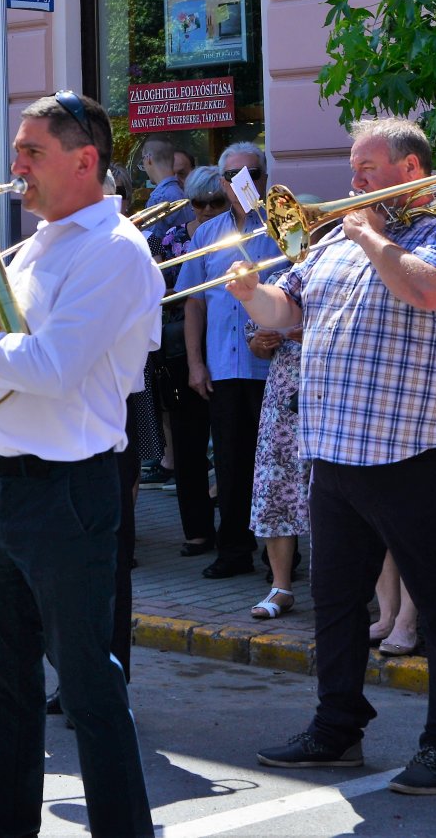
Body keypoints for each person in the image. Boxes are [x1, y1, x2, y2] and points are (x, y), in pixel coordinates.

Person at [0, 89, 160, 838]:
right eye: (16, 151)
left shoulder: (114, 250)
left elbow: (53, 366)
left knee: (87, 687)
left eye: (32, 152)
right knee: (2, 685)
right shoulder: (38, 245)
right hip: (0, 486)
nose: (15, 167)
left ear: (85, 161)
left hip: (68, 490)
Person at [232, 117, 436, 795]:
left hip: (421, 452)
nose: (352, 183)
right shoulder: (334, 243)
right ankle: (337, 727)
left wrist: (371, 237)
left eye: (366, 170)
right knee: (336, 602)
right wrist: (251, 294)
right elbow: (286, 313)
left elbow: (426, 290)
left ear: (411, 170)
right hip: (334, 451)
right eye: (353, 169)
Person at [175, 142, 281, 578]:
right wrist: (195, 363)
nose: (245, 183)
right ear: (223, 183)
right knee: (231, 463)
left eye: (253, 174)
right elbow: (195, 303)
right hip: (224, 364)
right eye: (236, 177)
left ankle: (280, 557)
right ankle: (234, 549)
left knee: (273, 464)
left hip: (273, 365)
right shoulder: (207, 234)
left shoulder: (282, 224)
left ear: (265, 178)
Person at [162, 166, 226, 551]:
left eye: (215, 202)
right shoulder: (170, 238)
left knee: (232, 444)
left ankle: (236, 529)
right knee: (187, 446)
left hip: (225, 344)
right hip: (180, 349)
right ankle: (197, 530)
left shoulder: (235, 235)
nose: (205, 210)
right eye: (197, 203)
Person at [245, 318, 305, 622]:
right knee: (276, 488)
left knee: (336, 492)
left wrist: (314, 336)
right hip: (282, 397)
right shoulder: (275, 291)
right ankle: (281, 587)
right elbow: (255, 345)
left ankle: (341, 588)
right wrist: (261, 343)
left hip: (332, 391)